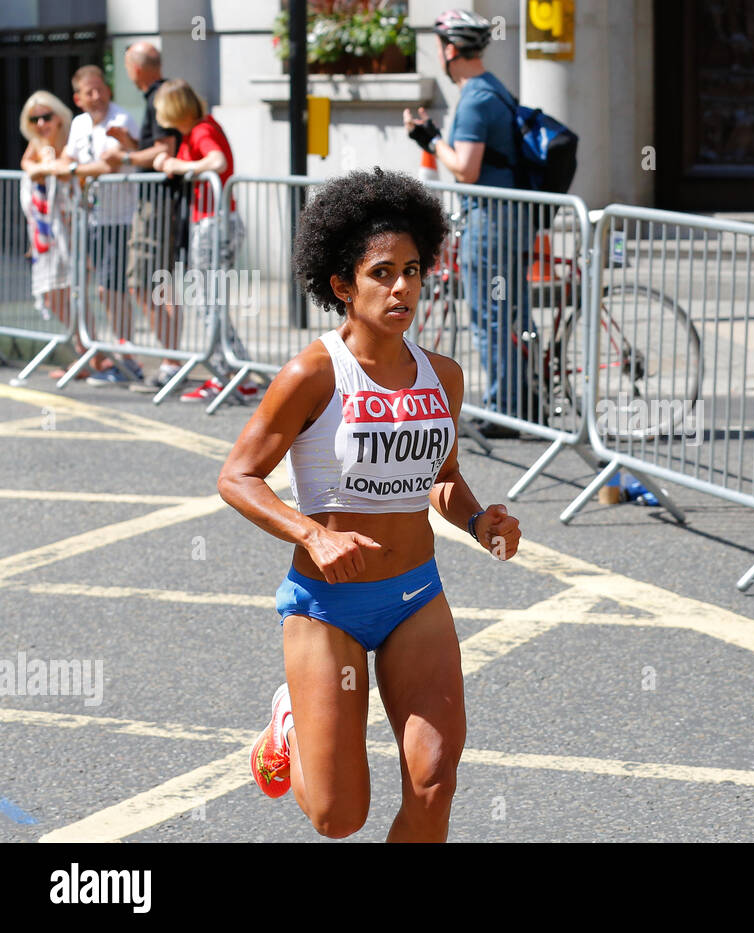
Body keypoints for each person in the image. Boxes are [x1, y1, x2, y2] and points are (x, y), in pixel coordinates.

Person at [216, 168, 522, 842]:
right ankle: (290, 723)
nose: (403, 286)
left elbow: (438, 476)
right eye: (382, 272)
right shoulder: (314, 373)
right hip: (328, 605)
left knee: (434, 780)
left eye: (413, 270)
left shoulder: (442, 375)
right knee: (338, 815)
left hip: (416, 596)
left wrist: (478, 519)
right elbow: (238, 476)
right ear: (342, 284)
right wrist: (311, 534)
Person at [403, 8, 535, 439]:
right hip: (512, 219)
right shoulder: (493, 88)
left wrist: (430, 138)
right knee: (512, 311)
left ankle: (503, 410)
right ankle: (522, 401)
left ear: (451, 49)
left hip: (491, 221)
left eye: (441, 46)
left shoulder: (476, 98)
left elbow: (467, 168)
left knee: (490, 315)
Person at [150, 78, 259, 402]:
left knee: (206, 300)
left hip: (213, 221)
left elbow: (217, 163)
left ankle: (231, 374)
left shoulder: (201, 130)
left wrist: (178, 165)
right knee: (208, 301)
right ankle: (236, 373)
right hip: (214, 220)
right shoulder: (199, 128)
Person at [51, 64, 145, 386]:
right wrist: (76, 167)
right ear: (78, 98)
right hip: (91, 217)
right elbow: (64, 160)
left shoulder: (120, 119)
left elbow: (109, 163)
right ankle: (115, 353)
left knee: (112, 289)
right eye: (89, 92)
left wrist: (75, 168)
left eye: (101, 89)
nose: (97, 96)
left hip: (120, 217)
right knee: (104, 289)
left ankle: (126, 355)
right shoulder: (78, 124)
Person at [120, 41, 186, 388]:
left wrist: (126, 158)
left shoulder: (159, 96)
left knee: (146, 282)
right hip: (158, 201)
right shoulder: (161, 95)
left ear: (137, 68)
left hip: (158, 203)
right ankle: (171, 361)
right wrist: (132, 145)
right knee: (156, 284)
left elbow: (164, 150)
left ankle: (172, 363)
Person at [17, 91, 79, 377]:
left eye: (46, 116)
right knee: (54, 295)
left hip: (71, 228)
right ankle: (83, 352)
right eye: (35, 118)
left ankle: (94, 354)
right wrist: (41, 167)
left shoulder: (69, 139)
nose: (41, 123)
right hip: (46, 234)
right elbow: (27, 164)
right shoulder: (37, 143)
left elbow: (65, 169)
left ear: (59, 116)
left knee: (74, 292)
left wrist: (45, 167)